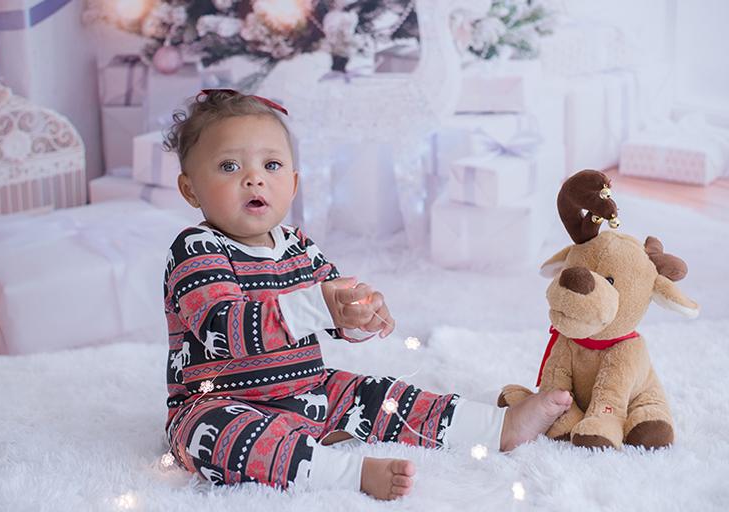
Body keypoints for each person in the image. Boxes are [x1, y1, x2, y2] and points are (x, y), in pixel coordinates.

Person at [162, 89, 572, 500]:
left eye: (271, 165)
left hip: (307, 391)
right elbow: (224, 330)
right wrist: (321, 302)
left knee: (381, 395)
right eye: (229, 166)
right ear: (190, 189)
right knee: (222, 439)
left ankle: (495, 427)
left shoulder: (298, 245)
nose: (254, 178)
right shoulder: (197, 248)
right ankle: (344, 473)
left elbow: (335, 309)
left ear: (293, 183)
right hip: (217, 403)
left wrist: (359, 316)